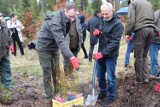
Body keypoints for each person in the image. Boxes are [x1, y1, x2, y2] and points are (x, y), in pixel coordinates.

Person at [35, 2, 80, 100]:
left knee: (57, 71)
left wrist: (67, 52)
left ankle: (58, 93)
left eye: (74, 17)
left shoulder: (69, 19)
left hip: (54, 48)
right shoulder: (55, 21)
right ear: (65, 11)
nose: (72, 19)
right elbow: (60, 40)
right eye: (70, 16)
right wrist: (71, 57)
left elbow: (63, 37)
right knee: (47, 71)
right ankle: (50, 96)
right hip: (44, 48)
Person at [93, 3, 124, 106]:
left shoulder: (118, 24)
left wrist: (103, 53)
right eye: (103, 14)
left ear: (112, 11)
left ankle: (111, 96)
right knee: (100, 75)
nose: (105, 16)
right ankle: (103, 92)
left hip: (110, 55)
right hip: (100, 52)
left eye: (107, 14)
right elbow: (95, 27)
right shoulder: (101, 19)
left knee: (110, 77)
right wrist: (95, 31)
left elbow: (114, 43)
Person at [125, 0, 155, 84]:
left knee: (138, 55)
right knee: (144, 55)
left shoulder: (133, 3)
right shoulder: (149, 3)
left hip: (141, 30)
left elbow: (131, 20)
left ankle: (139, 80)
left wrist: (127, 33)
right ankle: (145, 78)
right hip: (151, 30)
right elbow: (154, 18)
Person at [0, 12, 14, 90]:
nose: (1, 18)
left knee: (7, 68)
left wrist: (11, 44)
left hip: (5, 51)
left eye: (1, 16)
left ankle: (8, 85)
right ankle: (1, 86)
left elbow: (9, 36)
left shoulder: (4, 25)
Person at [149, 9, 160, 80]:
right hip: (154, 39)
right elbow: (151, 23)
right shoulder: (156, 14)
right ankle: (154, 73)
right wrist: (158, 30)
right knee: (154, 57)